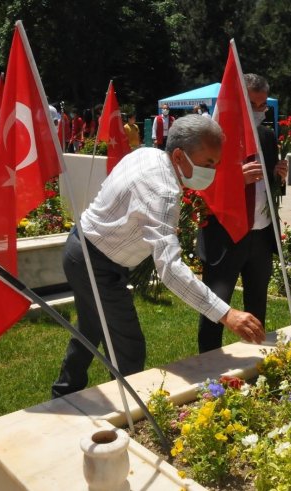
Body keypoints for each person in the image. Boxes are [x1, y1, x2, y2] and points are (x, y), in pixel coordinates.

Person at [51, 115, 265, 398]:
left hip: (82, 248)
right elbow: (170, 270)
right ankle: (131, 417)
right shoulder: (163, 192)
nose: (212, 171)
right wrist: (226, 313)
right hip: (96, 263)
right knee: (129, 348)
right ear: (179, 155)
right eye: (208, 163)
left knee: (90, 328)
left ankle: (64, 394)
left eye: (216, 163)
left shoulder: (147, 154)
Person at [196, 73, 288, 353]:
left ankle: (254, 359)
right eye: (253, 104)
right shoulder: (212, 137)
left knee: (257, 303)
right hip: (225, 235)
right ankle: (208, 363)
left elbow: (269, 191)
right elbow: (200, 184)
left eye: (263, 106)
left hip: (260, 234)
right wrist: (236, 178)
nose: (260, 111)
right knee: (216, 303)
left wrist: (278, 177)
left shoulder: (267, 136)